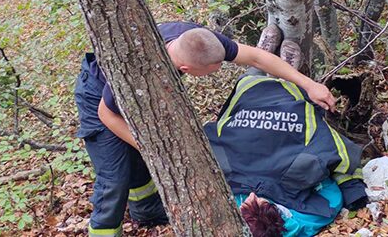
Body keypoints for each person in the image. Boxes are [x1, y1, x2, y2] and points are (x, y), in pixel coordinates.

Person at [74, 21, 336, 237]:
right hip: (98, 98)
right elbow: (106, 114)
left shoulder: (198, 39)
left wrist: (308, 84)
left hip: (141, 97)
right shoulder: (139, 69)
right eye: (213, 70)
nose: (219, 70)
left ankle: (146, 211)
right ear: (185, 69)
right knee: (115, 175)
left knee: (143, 163)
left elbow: (256, 56)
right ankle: (105, 231)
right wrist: (153, 149)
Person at [204, 72, 368, 237]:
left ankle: (266, 61)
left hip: (251, 90)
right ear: (278, 213)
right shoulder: (308, 215)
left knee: (255, 69)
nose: (252, 195)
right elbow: (336, 156)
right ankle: (275, 63)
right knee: (273, 67)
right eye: (257, 202)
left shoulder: (224, 200)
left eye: (247, 204)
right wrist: (351, 190)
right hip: (288, 97)